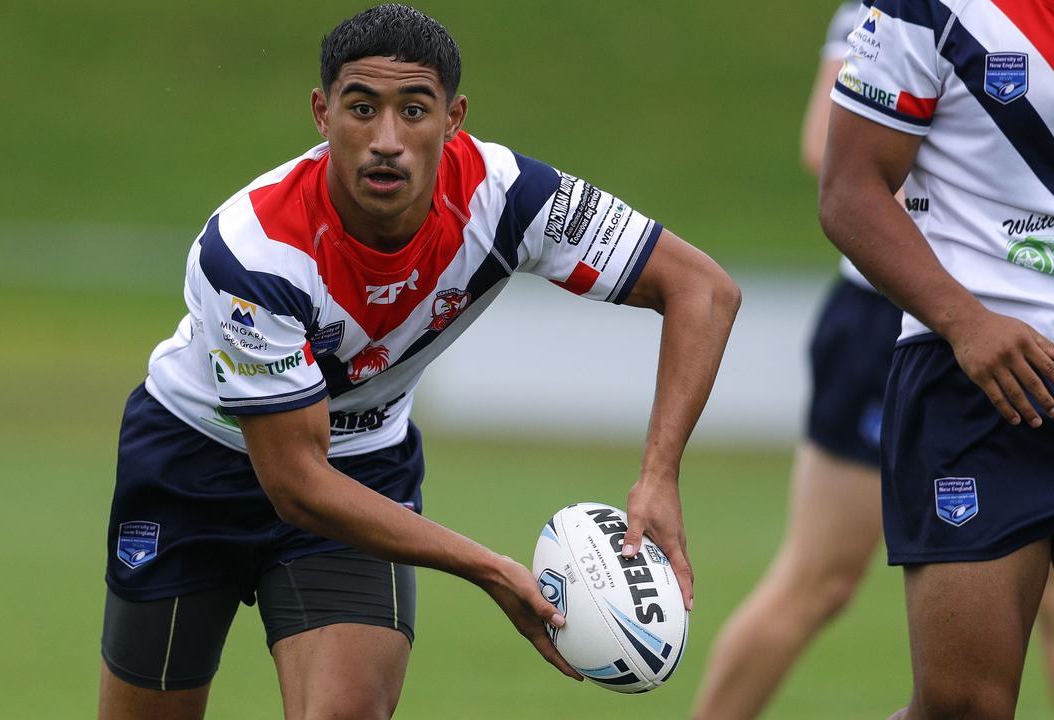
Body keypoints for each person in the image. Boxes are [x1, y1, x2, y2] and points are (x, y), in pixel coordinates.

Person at [96, 5, 741, 719]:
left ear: (454, 117)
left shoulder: (508, 200)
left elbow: (703, 290)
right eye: (362, 109)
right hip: (195, 466)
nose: (387, 141)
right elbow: (298, 485)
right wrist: (489, 567)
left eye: (414, 110)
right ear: (321, 113)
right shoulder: (254, 250)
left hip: (362, 466)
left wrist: (659, 476)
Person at [819, 0, 1054, 717]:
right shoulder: (928, 7)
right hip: (981, 383)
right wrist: (966, 322)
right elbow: (848, 191)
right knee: (962, 707)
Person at [691, 4, 904, 718]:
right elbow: (827, 143)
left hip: (1032, 323)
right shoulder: (890, 8)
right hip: (890, 321)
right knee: (821, 579)